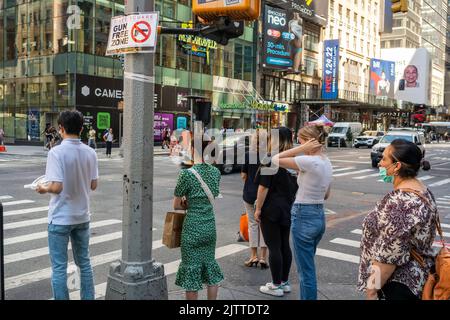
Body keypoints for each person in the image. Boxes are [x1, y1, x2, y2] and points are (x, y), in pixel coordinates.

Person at [358, 139, 436, 300]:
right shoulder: (422, 189)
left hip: (398, 284)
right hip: (418, 279)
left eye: (384, 159)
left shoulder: (400, 202)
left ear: (397, 166)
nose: (380, 163)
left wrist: (371, 291)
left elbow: (388, 257)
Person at [36, 110, 98, 300]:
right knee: (84, 264)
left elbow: (56, 186)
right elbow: (93, 185)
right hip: (82, 216)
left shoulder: (56, 152)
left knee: (59, 268)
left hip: (60, 218)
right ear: (81, 128)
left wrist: (43, 188)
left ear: (61, 128)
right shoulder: (90, 152)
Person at [272, 125, 332, 300]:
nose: (298, 142)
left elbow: (275, 158)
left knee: (306, 272)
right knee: (307, 265)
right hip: (319, 214)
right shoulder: (325, 161)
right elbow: (326, 194)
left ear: (308, 142)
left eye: (300, 140)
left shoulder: (309, 161)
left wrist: (301, 150)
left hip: (304, 214)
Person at [172, 134, 224, 300]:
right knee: (210, 268)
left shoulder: (186, 174)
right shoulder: (216, 172)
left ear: (192, 149)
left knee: (191, 272)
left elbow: (176, 205)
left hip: (192, 228)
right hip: (209, 227)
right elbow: (213, 195)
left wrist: (187, 203)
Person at [255, 127, 298, 297]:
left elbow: (263, 187)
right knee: (284, 245)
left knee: (274, 247)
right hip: (289, 206)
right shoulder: (294, 160)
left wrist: (258, 208)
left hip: (271, 208)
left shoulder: (271, 158)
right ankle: (285, 282)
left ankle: (276, 285)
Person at [241, 129, 268, 268]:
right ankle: (264, 257)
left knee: (252, 224)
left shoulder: (248, 155)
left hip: (250, 194)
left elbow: (243, 176)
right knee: (264, 225)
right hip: (265, 196)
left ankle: (253, 256)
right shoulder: (269, 156)